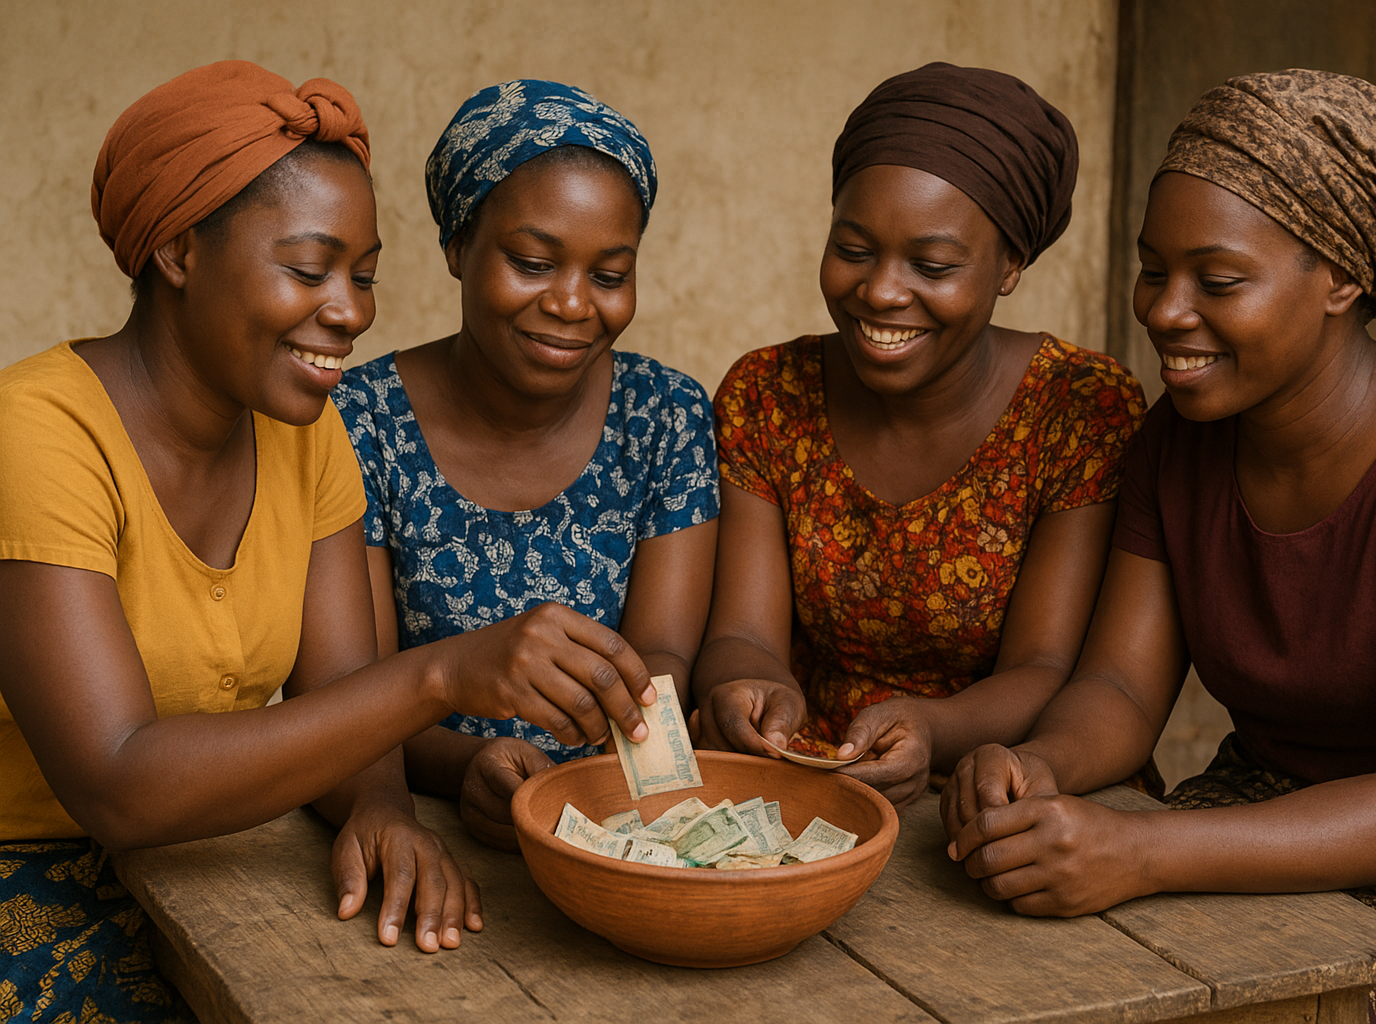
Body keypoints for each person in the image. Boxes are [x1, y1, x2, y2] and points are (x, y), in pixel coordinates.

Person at [0, 62, 655, 1023]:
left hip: (206, 867)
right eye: (309, 272)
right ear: (179, 251)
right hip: (30, 873)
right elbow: (119, 784)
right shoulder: (38, 435)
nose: (351, 312)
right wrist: (442, 676)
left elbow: (342, 702)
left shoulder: (307, 436)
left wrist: (382, 809)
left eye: (364, 274)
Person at [941, 69, 1376, 1024]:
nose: (1165, 312)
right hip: (1259, 805)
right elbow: (1123, 693)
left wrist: (1135, 852)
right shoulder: (1179, 441)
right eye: (1152, 270)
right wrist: (1036, 765)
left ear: (1341, 278)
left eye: (1217, 281)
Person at [692, 63, 1146, 810]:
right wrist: (755, 690)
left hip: (1005, 787)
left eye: (932, 265)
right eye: (854, 248)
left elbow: (1045, 667)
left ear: (1011, 266)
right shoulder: (767, 395)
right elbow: (743, 630)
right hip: (806, 778)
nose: (881, 291)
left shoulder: (1077, 408)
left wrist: (932, 728)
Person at [332, 80, 718, 851]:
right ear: (457, 247)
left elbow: (661, 662)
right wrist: (465, 765)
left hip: (615, 820)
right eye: (533, 263)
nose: (574, 304)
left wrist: (601, 779)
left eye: (609, 276)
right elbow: (347, 699)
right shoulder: (361, 419)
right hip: (419, 813)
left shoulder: (667, 416)